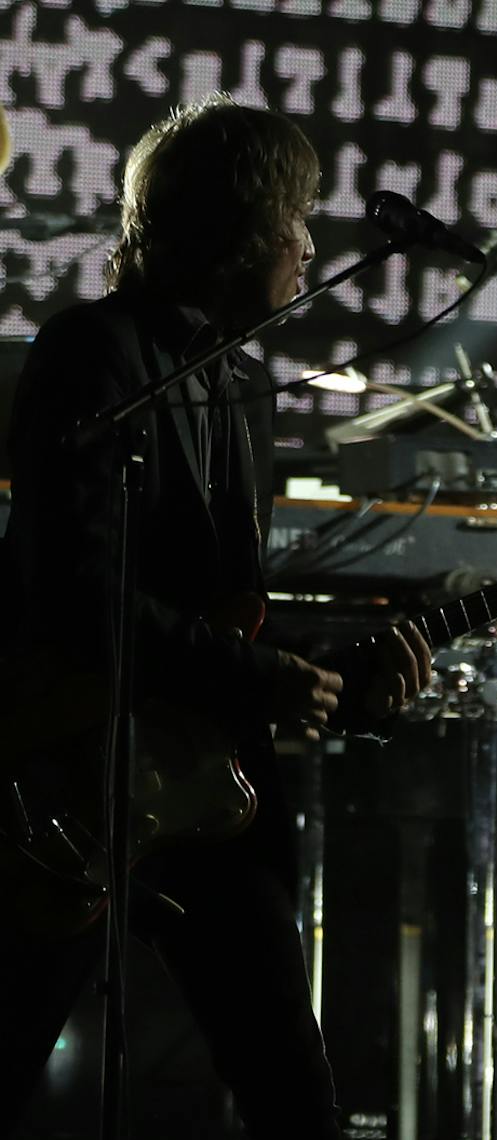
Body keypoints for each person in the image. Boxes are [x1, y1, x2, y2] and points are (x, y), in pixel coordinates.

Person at [0, 94, 430, 1137]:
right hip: (69, 771)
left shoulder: (242, 389)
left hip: (204, 793)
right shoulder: (93, 354)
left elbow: (226, 613)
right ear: (242, 231)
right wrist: (256, 676)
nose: (311, 247)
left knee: (290, 1084)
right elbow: (73, 584)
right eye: (300, 218)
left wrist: (334, 678)